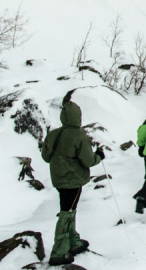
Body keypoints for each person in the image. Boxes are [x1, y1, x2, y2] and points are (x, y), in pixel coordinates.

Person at [41, 98, 105, 266]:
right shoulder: (79, 135)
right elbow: (88, 161)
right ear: (78, 117)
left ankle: (73, 242)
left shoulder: (54, 134)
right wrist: (99, 156)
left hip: (58, 179)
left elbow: (46, 157)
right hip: (73, 179)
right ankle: (59, 252)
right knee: (67, 212)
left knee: (70, 209)